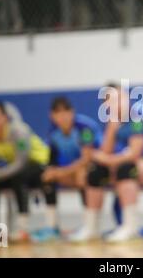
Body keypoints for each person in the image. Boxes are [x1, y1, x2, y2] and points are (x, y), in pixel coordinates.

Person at [70, 84, 143, 243]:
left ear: (127, 97)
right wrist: (111, 129)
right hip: (138, 162)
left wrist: (106, 159)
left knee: (126, 169)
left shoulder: (137, 116)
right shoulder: (116, 121)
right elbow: (106, 153)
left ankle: (130, 226)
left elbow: (134, 153)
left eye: (120, 98)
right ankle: (91, 227)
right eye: (111, 101)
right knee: (96, 172)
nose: (118, 103)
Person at [0, 101, 51, 243]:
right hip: (14, 168)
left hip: (38, 164)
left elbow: (21, 162)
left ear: (5, 117)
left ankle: (22, 228)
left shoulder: (19, 131)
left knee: (18, 177)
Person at [32, 96, 101, 242]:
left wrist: (62, 172)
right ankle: (52, 227)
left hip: (96, 167)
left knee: (84, 175)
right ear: (52, 116)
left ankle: (90, 227)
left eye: (66, 112)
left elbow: (87, 159)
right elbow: (53, 159)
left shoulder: (84, 128)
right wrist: (53, 172)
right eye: (58, 113)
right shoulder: (53, 132)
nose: (62, 117)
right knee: (48, 176)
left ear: (72, 112)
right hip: (73, 169)